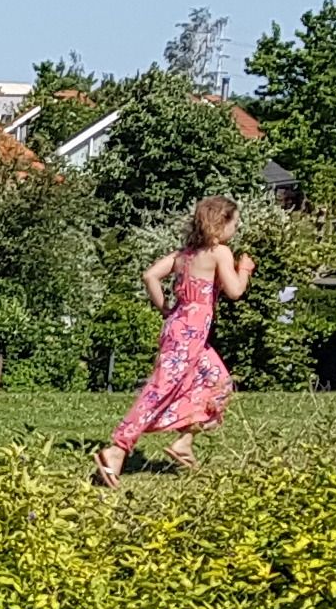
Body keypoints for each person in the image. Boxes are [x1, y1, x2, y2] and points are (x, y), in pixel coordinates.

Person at [98, 196, 251, 487]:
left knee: (219, 382)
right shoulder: (220, 252)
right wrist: (244, 269)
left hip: (179, 328)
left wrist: (165, 308)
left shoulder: (184, 254)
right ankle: (117, 450)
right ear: (220, 224)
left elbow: (150, 275)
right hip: (189, 335)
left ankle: (184, 442)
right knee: (159, 391)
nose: (237, 227)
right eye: (234, 222)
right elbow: (234, 291)